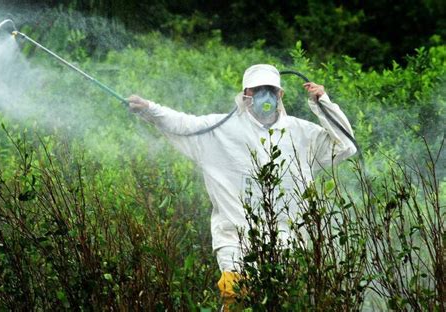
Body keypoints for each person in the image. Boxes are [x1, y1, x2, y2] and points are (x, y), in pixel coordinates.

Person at [128, 64, 357, 310]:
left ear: (280, 95)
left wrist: (322, 102)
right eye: (258, 89)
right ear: (246, 95)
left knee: (279, 303)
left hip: (287, 242)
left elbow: (345, 145)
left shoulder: (302, 133)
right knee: (236, 295)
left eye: (270, 89)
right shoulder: (220, 129)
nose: (264, 95)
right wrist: (149, 109)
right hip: (233, 238)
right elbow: (182, 124)